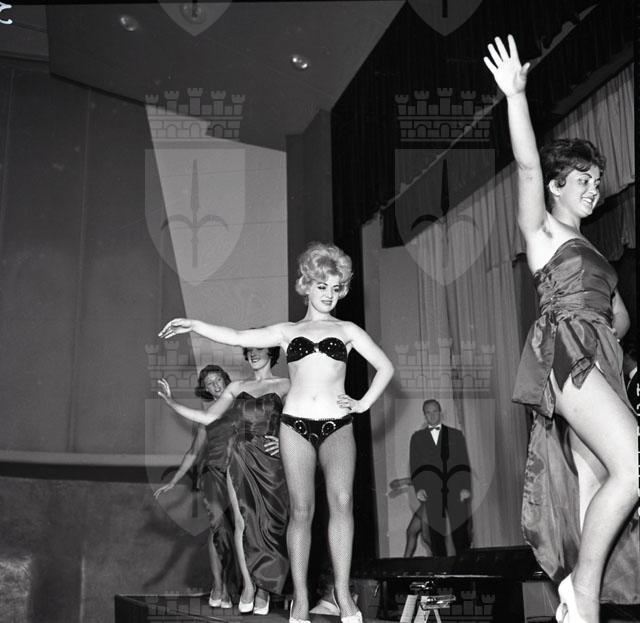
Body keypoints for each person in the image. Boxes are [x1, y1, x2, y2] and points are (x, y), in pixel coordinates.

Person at [484, 35, 639, 623]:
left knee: (596, 483)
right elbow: (527, 163)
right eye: (582, 179)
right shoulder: (543, 232)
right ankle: (582, 591)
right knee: (635, 468)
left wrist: (613, 339)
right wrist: (515, 97)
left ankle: (580, 611)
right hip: (568, 353)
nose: (594, 187)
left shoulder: (592, 248)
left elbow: (620, 316)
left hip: (599, 356)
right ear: (555, 186)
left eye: (597, 180)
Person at [159, 242, 394, 623]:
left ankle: (342, 594)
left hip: (338, 424)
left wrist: (363, 403)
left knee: (342, 501)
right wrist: (196, 325)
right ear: (306, 284)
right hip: (295, 426)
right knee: (300, 510)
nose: (329, 294)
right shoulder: (286, 331)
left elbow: (385, 367)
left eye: (336, 288)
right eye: (322, 286)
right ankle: (300, 599)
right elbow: (238, 336)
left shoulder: (348, 330)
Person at [158, 346, 290, 615]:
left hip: (265, 461)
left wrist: (285, 442)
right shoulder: (234, 392)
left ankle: (261, 587)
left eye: (259, 349)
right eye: (249, 350)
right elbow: (202, 430)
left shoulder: (281, 386)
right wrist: (172, 403)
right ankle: (239, 587)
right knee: (233, 525)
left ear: (271, 353)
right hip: (231, 462)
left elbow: (296, 418)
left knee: (265, 524)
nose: (253, 354)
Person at [153, 364, 235, 609]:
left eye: (218, 380)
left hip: (241, 476)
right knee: (219, 529)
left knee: (240, 531)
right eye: (209, 383)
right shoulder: (206, 416)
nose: (215, 386)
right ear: (205, 389)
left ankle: (236, 587)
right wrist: (174, 480)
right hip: (214, 475)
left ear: (226, 379)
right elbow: (193, 452)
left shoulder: (242, 405)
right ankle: (219, 587)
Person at [407, 399, 471, 557]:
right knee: (436, 534)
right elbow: (415, 466)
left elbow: (463, 463)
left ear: (440, 412)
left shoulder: (455, 435)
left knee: (460, 532)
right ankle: (440, 569)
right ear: (424, 415)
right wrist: (419, 488)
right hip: (432, 491)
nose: (432, 415)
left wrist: (466, 488)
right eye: (428, 412)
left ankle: (465, 567)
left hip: (456, 489)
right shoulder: (417, 438)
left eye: (435, 411)